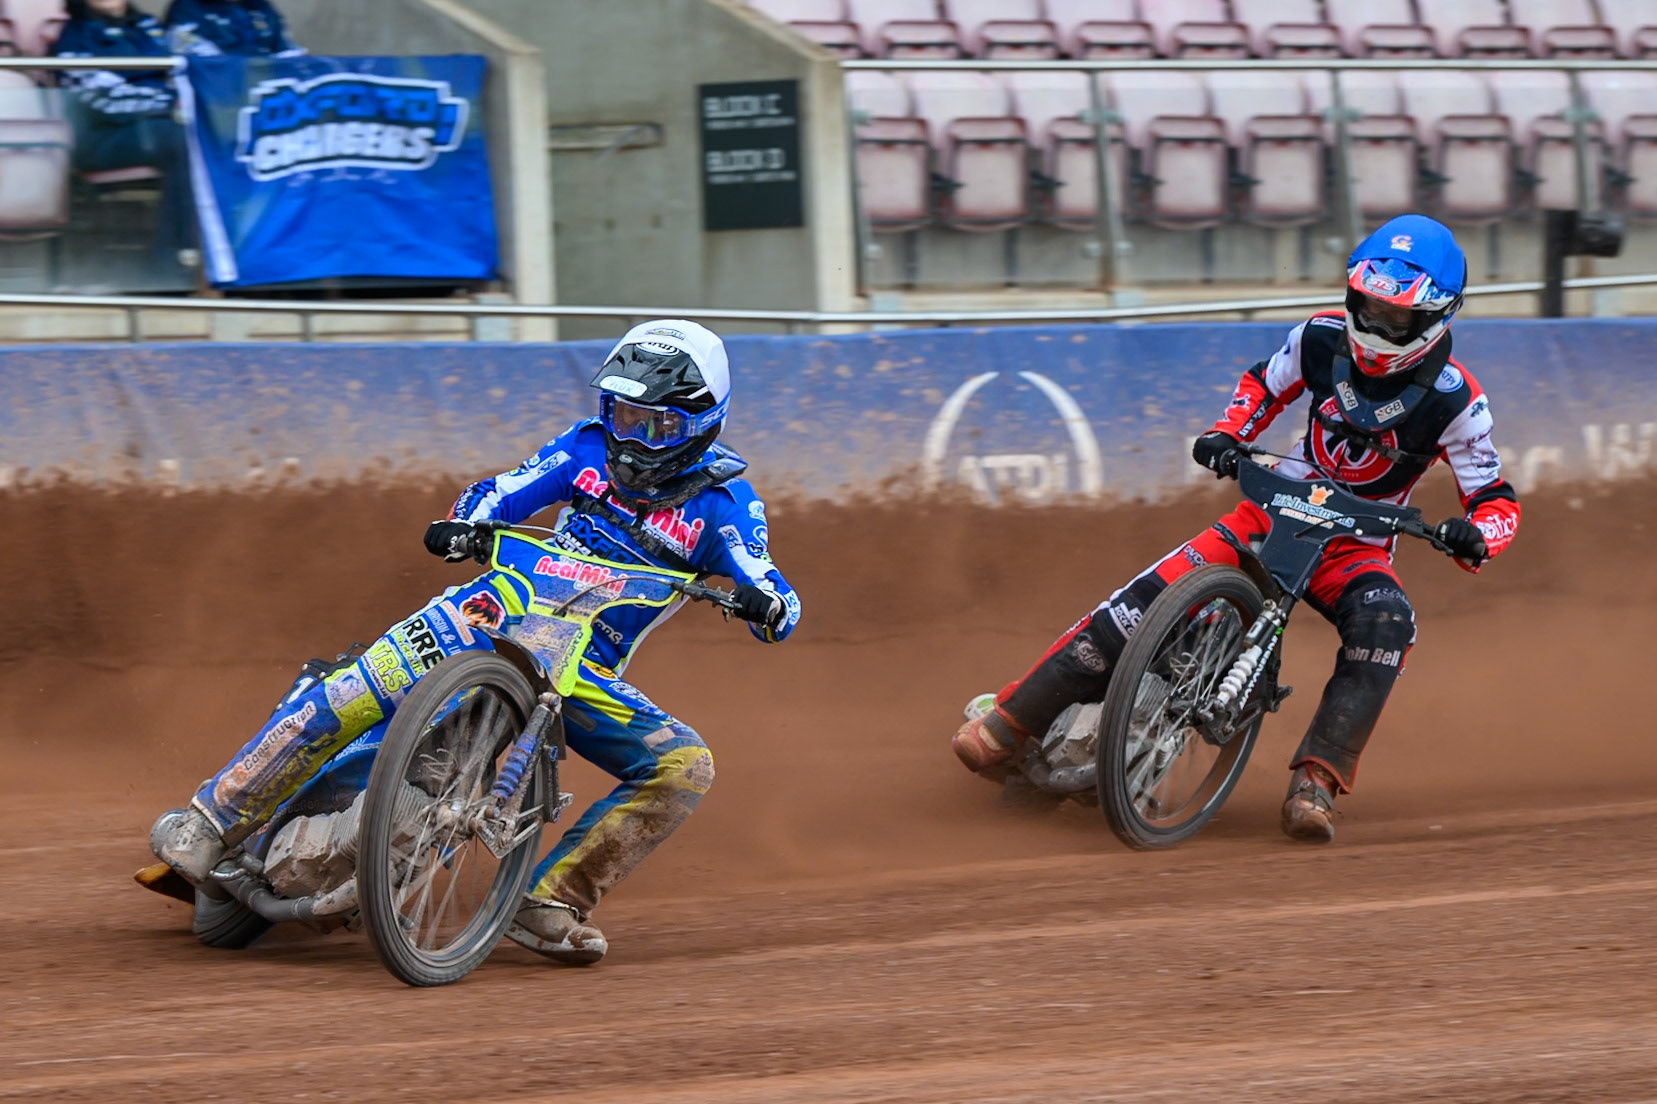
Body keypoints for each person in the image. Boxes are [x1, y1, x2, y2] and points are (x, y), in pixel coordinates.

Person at [149, 320, 801, 964]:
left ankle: (548, 901)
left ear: (699, 424)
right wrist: (469, 524)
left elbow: (769, 583)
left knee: (684, 766)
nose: (630, 437)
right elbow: (503, 489)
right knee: (356, 685)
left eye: (652, 425)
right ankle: (209, 823)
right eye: (622, 415)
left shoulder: (724, 506)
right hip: (491, 609)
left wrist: (766, 605)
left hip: (578, 668)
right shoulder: (583, 449)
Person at [951, 215, 1521, 842]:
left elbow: (1495, 499)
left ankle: (1317, 783)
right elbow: (1262, 383)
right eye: (1367, 304)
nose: (1376, 324)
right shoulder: (1318, 340)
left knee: (1389, 623)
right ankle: (1010, 722)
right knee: (1139, 603)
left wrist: (1477, 536)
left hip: (1352, 544)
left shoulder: (1458, 400)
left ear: (1437, 316)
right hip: (1273, 508)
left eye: (1395, 316)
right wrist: (1230, 433)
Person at [52, 0, 197, 268]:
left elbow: (188, 76)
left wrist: (180, 102)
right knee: (185, 140)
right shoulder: (71, 33)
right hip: (102, 138)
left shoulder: (150, 26)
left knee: (217, 138)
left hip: (166, 125)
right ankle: (170, 269)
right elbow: (104, 102)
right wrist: (169, 102)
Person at [164, 0, 304, 57]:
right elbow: (204, 64)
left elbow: (289, 53)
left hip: (267, 93)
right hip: (217, 98)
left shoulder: (260, 7)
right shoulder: (187, 8)